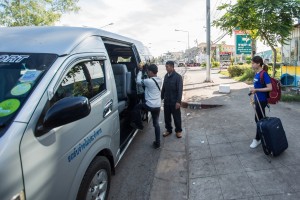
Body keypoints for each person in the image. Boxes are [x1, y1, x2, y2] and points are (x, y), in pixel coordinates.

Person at [131, 63, 162, 149]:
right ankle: (158, 142)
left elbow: (137, 81)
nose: (147, 73)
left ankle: (139, 125)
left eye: (148, 71)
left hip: (150, 105)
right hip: (157, 106)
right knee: (156, 124)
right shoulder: (159, 79)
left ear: (151, 72)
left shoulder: (148, 81)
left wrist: (140, 71)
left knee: (136, 108)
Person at [249, 56, 272, 148]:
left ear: (258, 63)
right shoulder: (257, 73)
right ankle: (263, 136)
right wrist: (254, 91)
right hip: (257, 99)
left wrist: (256, 90)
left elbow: (270, 88)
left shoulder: (264, 74)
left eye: (253, 63)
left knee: (259, 120)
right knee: (259, 119)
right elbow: (257, 86)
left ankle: (258, 139)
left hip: (262, 100)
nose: (252, 64)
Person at [161, 60, 183, 138]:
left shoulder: (178, 77)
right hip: (167, 101)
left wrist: (178, 102)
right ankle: (168, 130)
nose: (166, 68)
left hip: (174, 102)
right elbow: (163, 88)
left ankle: (178, 131)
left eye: (167, 67)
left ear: (172, 67)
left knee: (177, 117)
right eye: (166, 67)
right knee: (167, 117)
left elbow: (180, 90)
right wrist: (161, 97)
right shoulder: (166, 76)